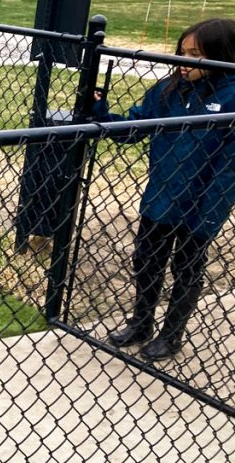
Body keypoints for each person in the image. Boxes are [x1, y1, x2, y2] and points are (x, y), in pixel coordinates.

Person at [94, 18, 235, 361]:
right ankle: (141, 323)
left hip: (200, 205)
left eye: (196, 54)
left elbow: (229, 169)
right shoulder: (168, 90)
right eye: (182, 53)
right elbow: (132, 129)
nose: (185, 62)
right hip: (160, 198)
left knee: (186, 270)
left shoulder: (231, 96)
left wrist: (210, 215)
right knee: (147, 261)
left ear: (221, 54)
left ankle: (172, 335)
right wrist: (97, 108)